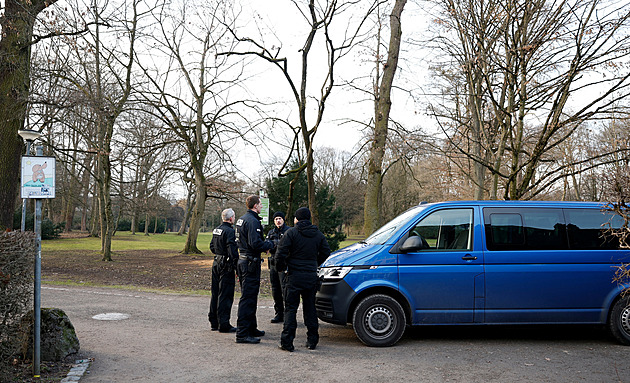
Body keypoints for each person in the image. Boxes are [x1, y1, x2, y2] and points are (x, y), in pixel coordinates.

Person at [275, 207, 331, 352]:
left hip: (293, 275)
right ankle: (312, 340)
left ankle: (287, 342)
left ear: (297, 219)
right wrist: (315, 263)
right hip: (310, 275)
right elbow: (326, 252)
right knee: (310, 308)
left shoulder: (291, 233)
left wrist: (282, 267)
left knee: (290, 309)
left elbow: (280, 253)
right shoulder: (317, 234)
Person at [234, 195, 275, 344]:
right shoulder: (252, 221)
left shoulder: (243, 219)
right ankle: (242, 334)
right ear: (255, 205)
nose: (262, 207)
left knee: (250, 297)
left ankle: (251, 328)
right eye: (260, 204)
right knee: (248, 298)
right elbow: (255, 244)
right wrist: (270, 245)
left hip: (244, 260)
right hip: (250, 262)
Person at [208, 208, 238, 333]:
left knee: (215, 292)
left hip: (216, 262)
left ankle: (214, 321)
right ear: (231, 218)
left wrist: (219, 254)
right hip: (226, 264)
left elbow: (211, 247)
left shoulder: (217, 229)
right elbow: (232, 250)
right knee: (225, 294)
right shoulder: (230, 231)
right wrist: (236, 265)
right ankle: (224, 323)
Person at [266, 211, 290, 323]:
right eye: (276, 219)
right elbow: (266, 244)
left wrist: (274, 245)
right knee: (275, 290)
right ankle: (278, 313)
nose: (278, 221)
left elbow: (286, 246)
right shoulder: (271, 232)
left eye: (280, 218)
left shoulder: (289, 231)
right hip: (273, 264)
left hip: (284, 264)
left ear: (283, 219)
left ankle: (288, 314)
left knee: (285, 289)